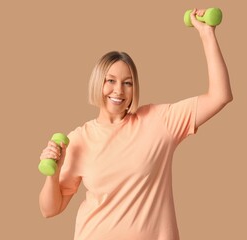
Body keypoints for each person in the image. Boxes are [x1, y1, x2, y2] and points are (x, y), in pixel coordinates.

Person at [38, 8, 233, 240]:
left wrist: (206, 33)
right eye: (110, 81)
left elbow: (220, 95)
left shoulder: (160, 121)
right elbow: (49, 210)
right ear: (98, 83)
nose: (118, 90)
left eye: (127, 83)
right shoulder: (80, 139)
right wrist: (54, 172)